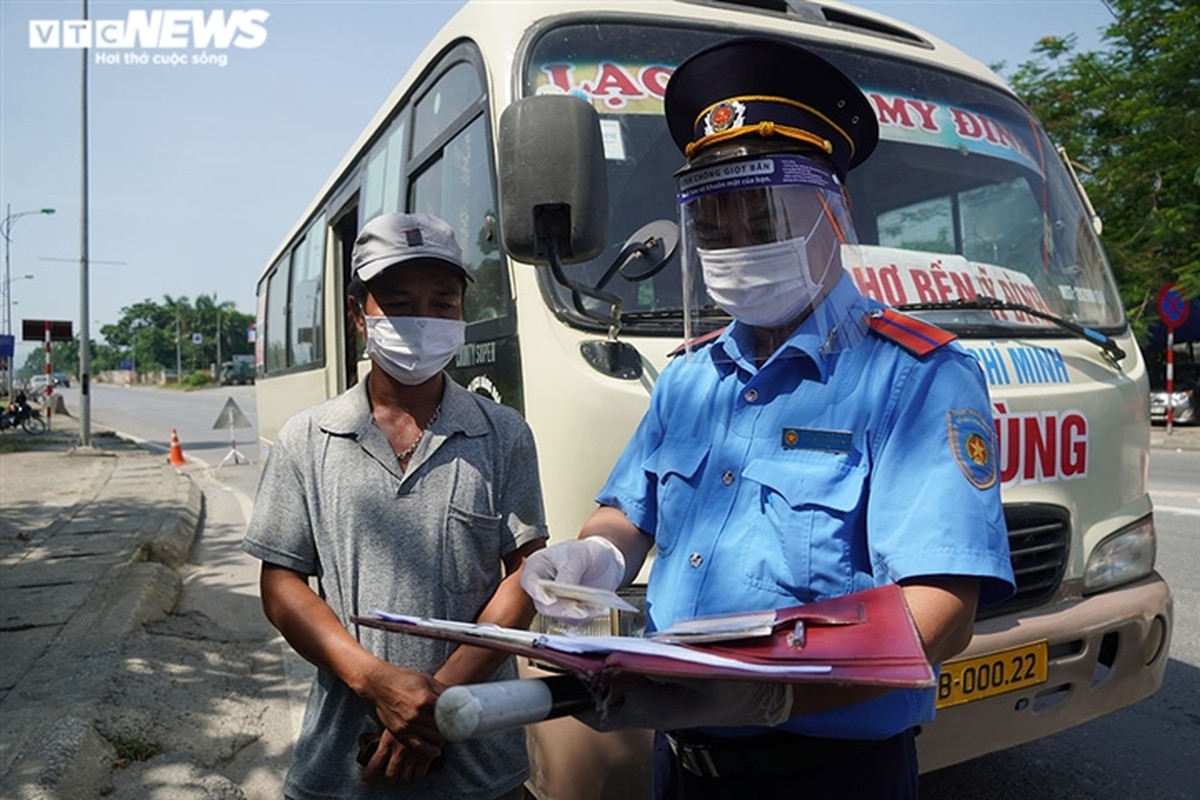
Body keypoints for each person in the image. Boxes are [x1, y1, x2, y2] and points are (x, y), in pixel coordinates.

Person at [521, 38, 1016, 799]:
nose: (736, 248)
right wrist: (594, 559)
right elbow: (629, 509)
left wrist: (770, 694)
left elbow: (941, 615)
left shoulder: (913, 376)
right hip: (682, 765)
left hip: (829, 775)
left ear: (832, 210)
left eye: (763, 218)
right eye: (714, 228)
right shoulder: (689, 378)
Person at [243, 212, 549, 800]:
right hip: (343, 766)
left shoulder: (504, 434)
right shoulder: (308, 437)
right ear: (360, 315)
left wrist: (435, 704)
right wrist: (377, 682)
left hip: (480, 768)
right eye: (401, 302)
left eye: (443, 303)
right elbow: (282, 584)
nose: (424, 320)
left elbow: (527, 577)